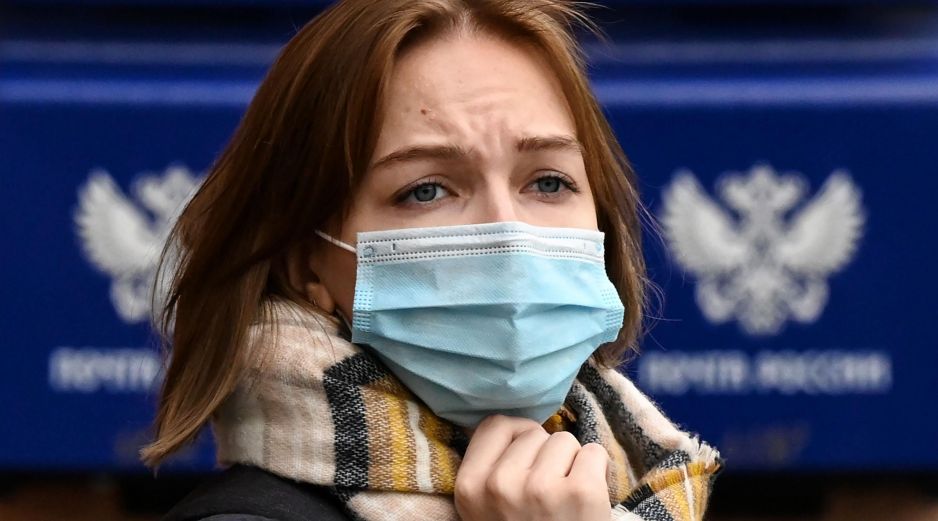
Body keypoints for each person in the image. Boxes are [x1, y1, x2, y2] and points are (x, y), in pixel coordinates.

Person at [142, 1, 722, 520]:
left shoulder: (633, 493)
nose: (506, 233)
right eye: (425, 190)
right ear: (306, 266)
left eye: (548, 181)